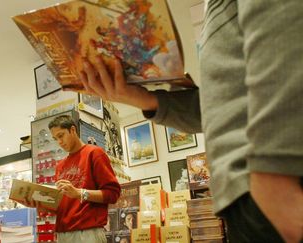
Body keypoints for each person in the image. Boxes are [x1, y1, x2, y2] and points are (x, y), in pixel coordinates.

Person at [76, 1, 303, 242]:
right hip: (252, 192)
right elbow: (217, 109)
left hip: (273, 186)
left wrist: (275, 170)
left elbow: (281, 29)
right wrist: (145, 99)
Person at [27, 115, 121, 243]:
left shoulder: (94, 153)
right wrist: (41, 204)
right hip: (63, 233)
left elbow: (113, 194)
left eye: (61, 135)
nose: (59, 142)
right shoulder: (60, 166)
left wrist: (79, 193)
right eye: (55, 139)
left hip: (87, 232)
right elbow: (63, 204)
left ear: (72, 130)